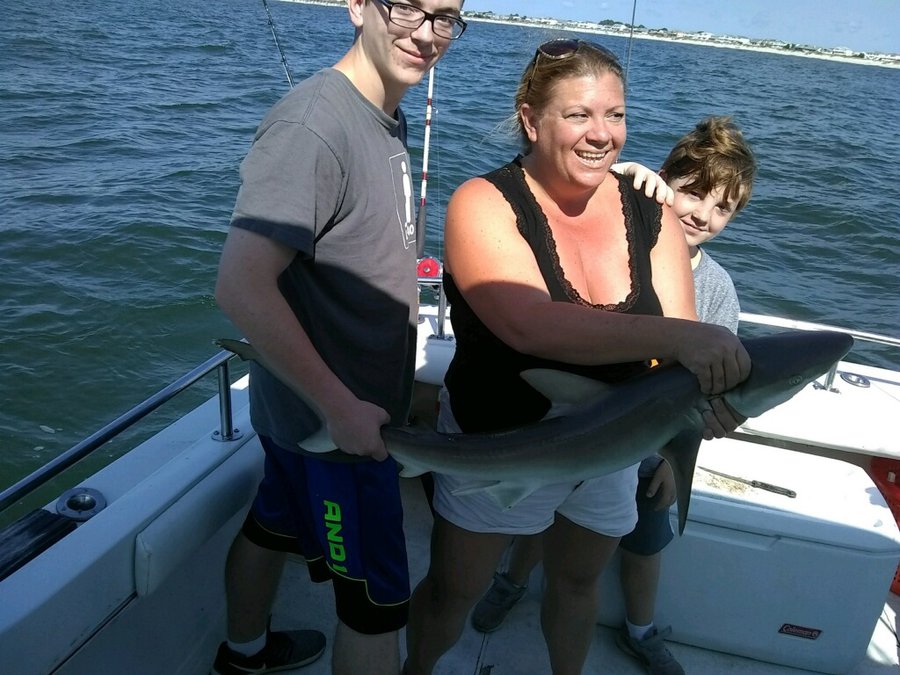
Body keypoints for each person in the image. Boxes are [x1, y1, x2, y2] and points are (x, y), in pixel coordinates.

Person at [403, 38, 751, 675]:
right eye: (579, 115)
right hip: (499, 439)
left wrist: (698, 414)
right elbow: (528, 325)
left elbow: (682, 350)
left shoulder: (651, 210)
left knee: (577, 586)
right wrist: (680, 341)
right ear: (532, 120)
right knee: (455, 591)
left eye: (615, 115)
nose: (602, 134)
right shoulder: (482, 202)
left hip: (610, 447)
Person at [212, 2, 466, 674]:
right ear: (356, 4)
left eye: (446, 17)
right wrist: (340, 407)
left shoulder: (383, 116)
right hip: (342, 430)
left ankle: (242, 656)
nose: (425, 33)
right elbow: (240, 285)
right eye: (407, 6)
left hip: (309, 413)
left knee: (272, 525)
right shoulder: (314, 125)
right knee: (376, 608)